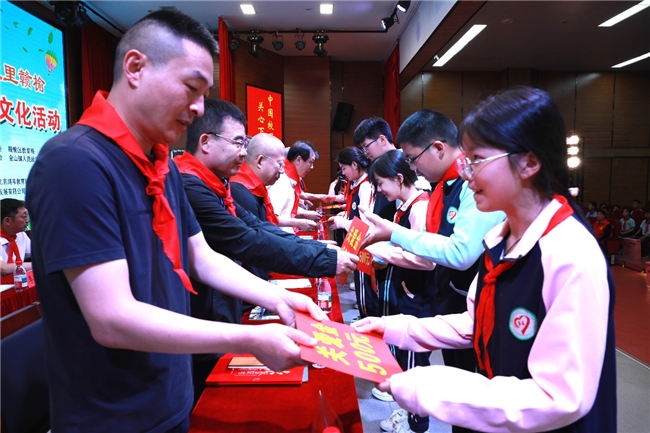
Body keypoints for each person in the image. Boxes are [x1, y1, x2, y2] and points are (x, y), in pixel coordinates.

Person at [25, 10, 327, 432]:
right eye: (191, 88)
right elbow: (111, 317)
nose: (198, 108)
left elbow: (201, 257)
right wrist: (248, 338)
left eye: (204, 94)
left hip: (169, 393)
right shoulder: (73, 163)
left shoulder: (162, 165)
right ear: (135, 67)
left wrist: (276, 299)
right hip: (112, 414)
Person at [354, 87, 616, 432]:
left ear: (529, 162)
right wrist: (398, 328)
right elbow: (476, 322)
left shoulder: (570, 253)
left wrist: (434, 388)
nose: (466, 173)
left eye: (476, 159)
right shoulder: (500, 238)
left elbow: (560, 397)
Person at [174, 101, 358, 402]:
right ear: (205, 142)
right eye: (238, 143)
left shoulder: (217, 186)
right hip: (201, 315)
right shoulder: (192, 187)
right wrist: (322, 258)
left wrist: (321, 252)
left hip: (220, 306)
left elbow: (258, 228)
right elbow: (246, 240)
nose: (243, 153)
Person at [360, 109, 505, 433]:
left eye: (413, 159)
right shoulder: (445, 185)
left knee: (473, 393)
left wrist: (394, 235)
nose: (412, 168)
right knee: (461, 392)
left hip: (471, 300)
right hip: (456, 300)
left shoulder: (467, 185)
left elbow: (460, 253)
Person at [365, 150, 435, 433]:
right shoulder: (405, 206)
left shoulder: (419, 208)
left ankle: (417, 422)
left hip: (418, 294)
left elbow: (426, 260)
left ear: (398, 178)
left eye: (381, 183)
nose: (380, 190)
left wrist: (383, 251)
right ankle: (409, 414)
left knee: (415, 361)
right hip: (408, 289)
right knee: (408, 358)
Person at [328, 147, 376, 318]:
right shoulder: (358, 185)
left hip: (365, 244)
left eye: (344, 168)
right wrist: (343, 216)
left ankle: (368, 321)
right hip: (358, 241)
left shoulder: (365, 186)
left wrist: (341, 223)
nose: (343, 172)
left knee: (365, 288)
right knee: (361, 285)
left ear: (354, 165)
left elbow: (364, 224)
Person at [267, 140, 322, 232]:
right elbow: (272, 218)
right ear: (298, 160)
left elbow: (286, 209)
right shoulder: (282, 182)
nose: (312, 167)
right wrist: (299, 223)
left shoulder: (290, 179)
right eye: (310, 162)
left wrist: (305, 214)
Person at [1, 198, 32, 283]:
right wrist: (37, 266)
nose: (28, 220)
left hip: (18, 283)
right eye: (24, 216)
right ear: (8, 221)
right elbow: (3, 268)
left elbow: (37, 254)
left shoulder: (21, 234)